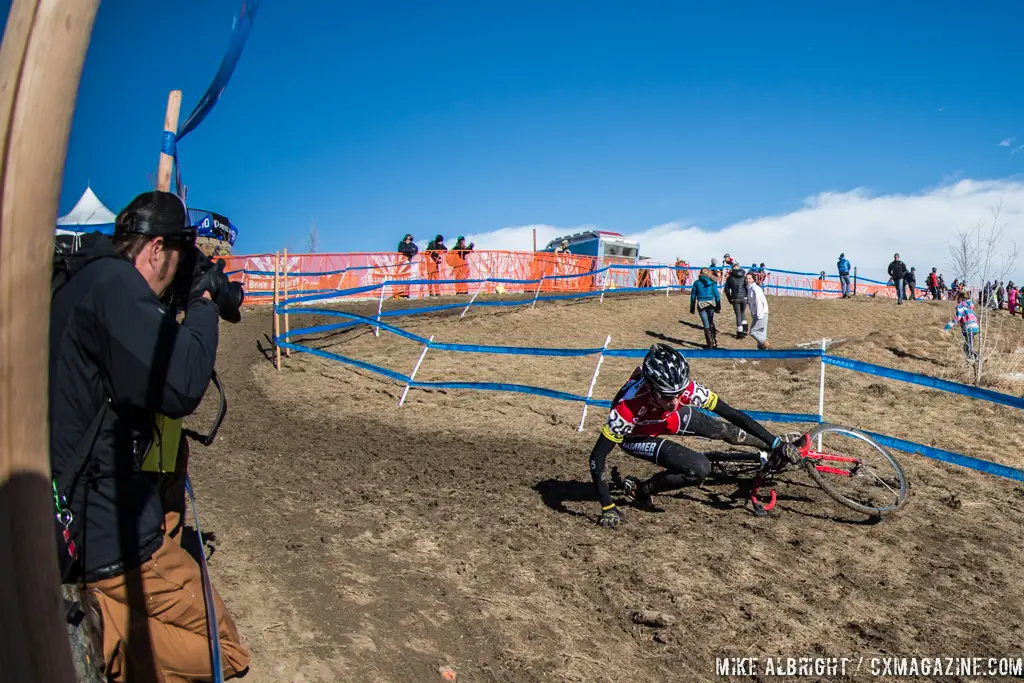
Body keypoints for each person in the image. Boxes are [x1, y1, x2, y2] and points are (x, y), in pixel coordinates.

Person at [49, 191, 250, 682]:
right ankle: (95, 634)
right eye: (178, 263)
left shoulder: (81, 280)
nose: (173, 281)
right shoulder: (115, 285)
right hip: (107, 532)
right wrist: (202, 301)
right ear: (156, 249)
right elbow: (182, 382)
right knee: (228, 652)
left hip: (73, 514)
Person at [587, 344, 801, 526]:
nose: (675, 401)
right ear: (651, 387)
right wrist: (608, 507)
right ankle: (642, 491)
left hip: (665, 418)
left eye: (678, 394)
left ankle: (772, 450)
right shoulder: (627, 409)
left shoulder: (683, 391)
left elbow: (732, 414)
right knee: (699, 468)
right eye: (668, 396)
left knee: (725, 430)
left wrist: (775, 442)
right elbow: (597, 458)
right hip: (635, 435)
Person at [689, 267, 721, 348]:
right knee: (711, 322)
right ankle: (714, 341)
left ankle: (709, 344)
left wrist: (692, 307)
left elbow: (693, 296)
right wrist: (718, 307)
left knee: (706, 324)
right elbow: (717, 295)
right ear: (708, 273)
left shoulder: (696, 283)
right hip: (711, 303)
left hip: (701, 304)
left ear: (700, 273)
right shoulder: (713, 282)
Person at [945, 291, 980, 363]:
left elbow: (957, 318)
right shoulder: (970, 305)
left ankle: (978, 358)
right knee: (966, 346)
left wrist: (947, 327)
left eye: (958, 298)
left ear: (960, 298)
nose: (957, 300)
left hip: (968, 327)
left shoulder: (960, 306)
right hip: (975, 327)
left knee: (969, 347)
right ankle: (970, 360)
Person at [746, 271, 770, 350]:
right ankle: (762, 350)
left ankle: (767, 345)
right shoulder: (750, 288)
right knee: (761, 333)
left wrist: (759, 314)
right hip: (760, 312)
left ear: (753, 279)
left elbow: (759, 302)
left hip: (761, 312)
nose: (748, 280)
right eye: (747, 278)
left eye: (749, 278)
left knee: (753, 332)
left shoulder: (755, 289)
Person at [723, 263, 749, 338]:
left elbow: (727, 290)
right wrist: (747, 297)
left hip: (735, 298)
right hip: (743, 297)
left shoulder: (730, 278)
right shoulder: (744, 278)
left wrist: (729, 298)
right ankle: (745, 328)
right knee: (742, 312)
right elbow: (746, 287)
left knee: (738, 315)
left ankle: (739, 332)